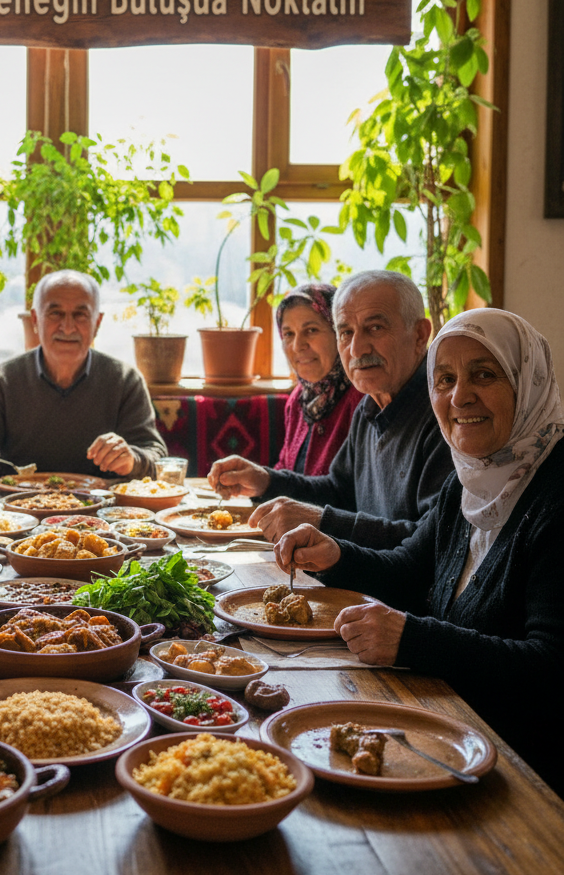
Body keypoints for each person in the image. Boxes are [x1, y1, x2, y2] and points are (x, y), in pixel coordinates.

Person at [273, 308, 564, 793]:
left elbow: (550, 668)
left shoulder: (555, 495)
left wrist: (413, 640)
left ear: (527, 381)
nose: (459, 396)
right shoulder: (469, 480)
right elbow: (409, 567)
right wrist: (334, 555)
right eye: (444, 378)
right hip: (450, 731)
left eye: (484, 375)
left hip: (527, 775)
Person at [209, 271, 454, 549]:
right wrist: (266, 481)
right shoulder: (370, 405)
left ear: (420, 334)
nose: (357, 348)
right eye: (346, 332)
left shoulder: (446, 415)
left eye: (375, 328)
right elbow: (338, 490)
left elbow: (429, 544)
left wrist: (322, 521)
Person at [0, 270, 167, 480]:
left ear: (97, 323)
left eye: (80, 315)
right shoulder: (1, 381)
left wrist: (132, 460)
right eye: (55, 313)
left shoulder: (125, 381)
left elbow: (160, 460)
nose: (68, 327)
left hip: (105, 515)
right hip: (15, 513)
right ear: (35, 320)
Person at [273, 284, 364, 475]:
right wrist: (255, 480)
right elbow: (285, 467)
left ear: (339, 334)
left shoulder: (363, 399)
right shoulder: (299, 399)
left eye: (311, 330)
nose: (298, 346)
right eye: (289, 334)